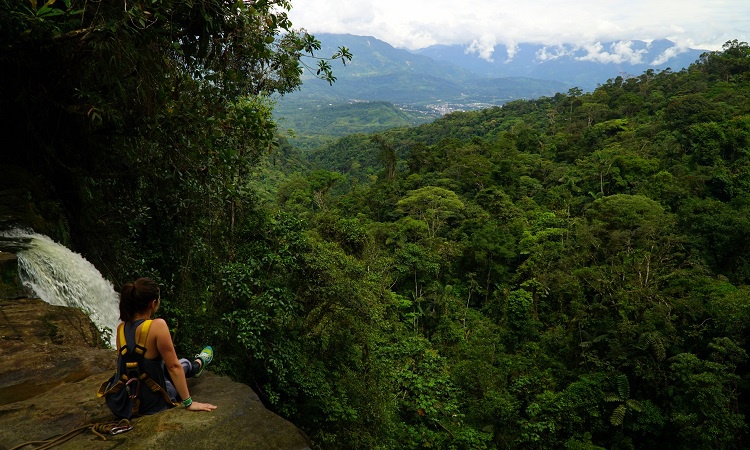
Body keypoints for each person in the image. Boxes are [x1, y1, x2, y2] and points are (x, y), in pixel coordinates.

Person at [98, 277, 217, 417]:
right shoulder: (157, 326)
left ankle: (196, 364)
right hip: (151, 402)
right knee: (181, 365)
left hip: (123, 403)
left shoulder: (121, 329)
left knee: (165, 367)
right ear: (153, 303)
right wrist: (189, 403)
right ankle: (197, 364)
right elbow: (173, 367)